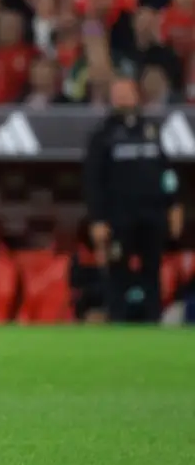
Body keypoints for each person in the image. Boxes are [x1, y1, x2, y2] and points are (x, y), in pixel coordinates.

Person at [83, 77, 183, 323]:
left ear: (137, 96)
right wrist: (97, 219)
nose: (123, 98)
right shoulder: (102, 135)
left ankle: (152, 320)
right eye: (118, 94)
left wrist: (174, 204)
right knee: (117, 270)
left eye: (127, 93)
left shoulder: (152, 130)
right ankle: (118, 321)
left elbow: (166, 171)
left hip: (152, 214)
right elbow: (93, 181)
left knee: (152, 269)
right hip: (119, 217)